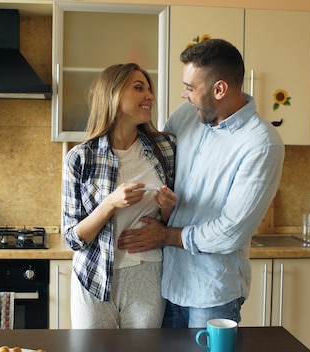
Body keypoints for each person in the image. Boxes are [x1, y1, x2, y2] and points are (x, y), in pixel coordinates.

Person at [117, 38, 285, 328]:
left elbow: (231, 231)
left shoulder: (261, 144)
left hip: (212, 293)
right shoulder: (185, 117)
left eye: (191, 87)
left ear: (220, 89)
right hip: (167, 284)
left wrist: (165, 236)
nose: (184, 95)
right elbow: (153, 168)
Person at [61, 63, 177, 329]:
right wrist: (110, 202)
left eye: (149, 89)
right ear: (112, 95)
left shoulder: (166, 149)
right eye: (139, 88)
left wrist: (169, 208)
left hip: (147, 274)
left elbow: (173, 222)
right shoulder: (80, 158)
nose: (150, 96)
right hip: (93, 275)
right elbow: (72, 238)